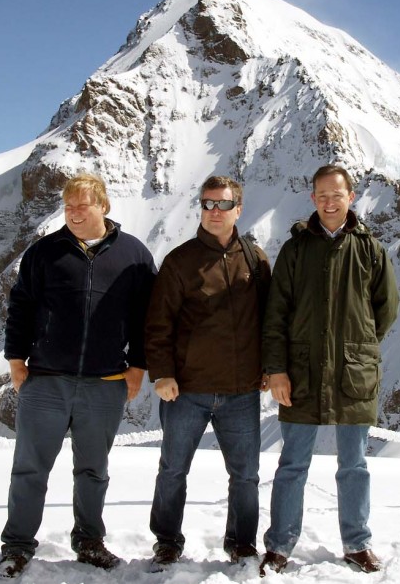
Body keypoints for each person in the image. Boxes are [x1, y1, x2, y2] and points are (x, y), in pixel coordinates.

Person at [0, 173, 157, 580]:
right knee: (30, 468)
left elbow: (146, 319)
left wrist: (137, 366)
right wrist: (16, 360)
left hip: (105, 384)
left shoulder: (134, 256)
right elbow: (21, 307)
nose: (74, 214)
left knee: (93, 471)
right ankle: (16, 547)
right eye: (68, 207)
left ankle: (88, 540)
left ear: (103, 206)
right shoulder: (43, 253)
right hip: (46, 380)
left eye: (83, 206)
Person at [259, 165, 399, 576]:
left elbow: (385, 309)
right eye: (322, 194)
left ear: (351, 196)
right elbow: (276, 314)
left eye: (336, 194)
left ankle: (357, 543)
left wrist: (358, 346)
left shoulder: (370, 248)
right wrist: (278, 370)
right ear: (313, 198)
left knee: (353, 465)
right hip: (300, 374)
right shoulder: (296, 249)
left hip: (354, 374)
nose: (329, 201)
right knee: (292, 465)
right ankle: (280, 544)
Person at [145, 175, 272, 570]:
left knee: (246, 476)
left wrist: (269, 367)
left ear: (238, 208)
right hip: (187, 390)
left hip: (241, 391)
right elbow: (158, 324)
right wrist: (162, 374)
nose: (214, 211)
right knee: (172, 470)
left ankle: (241, 543)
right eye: (207, 203)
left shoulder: (256, 259)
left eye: (223, 204)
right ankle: (167, 541)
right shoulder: (180, 261)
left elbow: (270, 321)